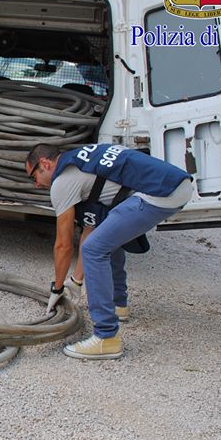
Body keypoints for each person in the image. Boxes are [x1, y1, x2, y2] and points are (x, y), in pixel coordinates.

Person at [24, 143, 192, 359]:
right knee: (103, 240)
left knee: (93, 250)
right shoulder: (82, 161)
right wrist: (75, 281)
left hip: (160, 192)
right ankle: (117, 304)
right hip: (175, 184)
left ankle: (106, 337)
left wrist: (56, 289)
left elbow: (63, 244)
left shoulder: (63, 181)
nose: (36, 184)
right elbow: (91, 226)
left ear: (45, 164)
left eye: (33, 176)